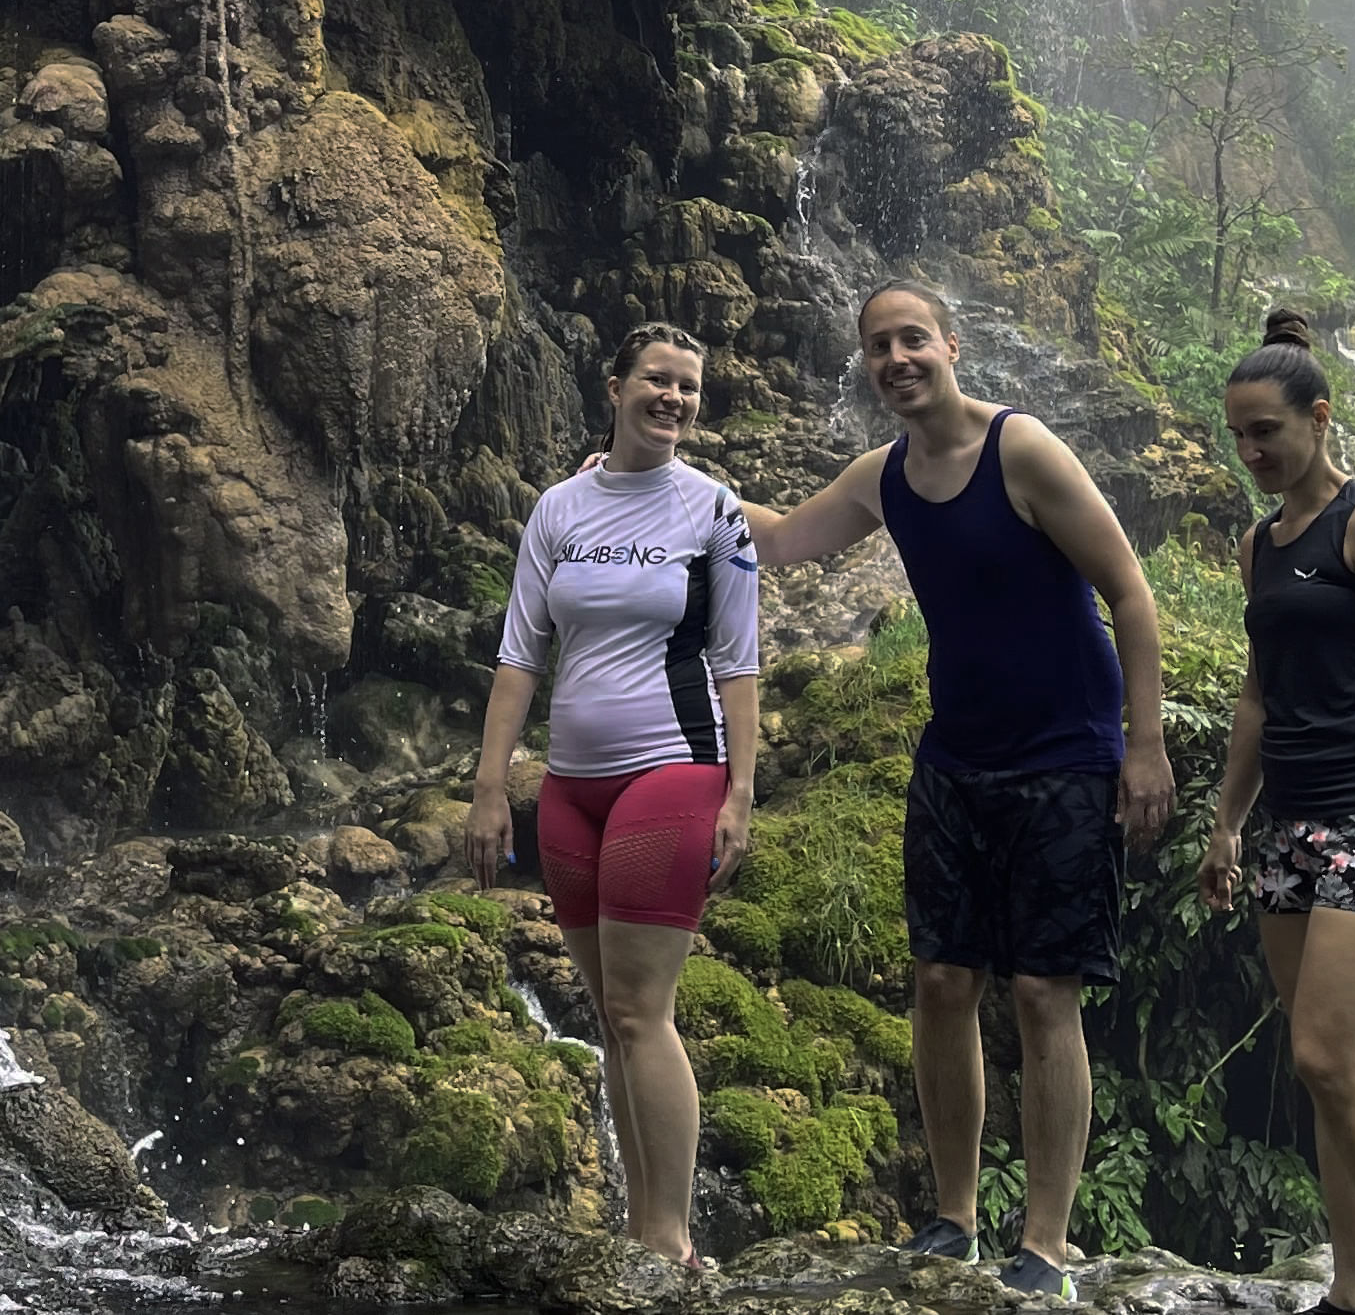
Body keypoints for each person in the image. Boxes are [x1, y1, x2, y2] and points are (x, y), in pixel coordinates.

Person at [744, 281, 1174, 1302]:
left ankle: (1050, 1243)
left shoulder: (1021, 451)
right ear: (866, 363)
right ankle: (953, 1217)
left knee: (1041, 993)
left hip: (1067, 755)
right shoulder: (882, 476)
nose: (897, 359)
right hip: (955, 759)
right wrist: (663, 477)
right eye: (878, 347)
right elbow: (780, 540)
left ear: (951, 343)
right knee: (942, 982)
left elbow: (1129, 590)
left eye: (912, 340)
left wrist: (1143, 745)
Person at [463, 323, 762, 1274]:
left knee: (643, 1011)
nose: (671, 398)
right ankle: (643, 1227)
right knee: (611, 1017)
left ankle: (670, 1238)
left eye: (688, 387)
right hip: (569, 791)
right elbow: (520, 654)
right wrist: (487, 791)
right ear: (616, 386)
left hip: (671, 772)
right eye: (656, 381)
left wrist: (741, 792)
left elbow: (739, 661)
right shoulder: (559, 506)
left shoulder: (713, 511)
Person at [1200, 311, 1355, 1315]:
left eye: (1267, 431)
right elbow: (1258, 696)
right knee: (1327, 1077)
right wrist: (1227, 825)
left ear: (1319, 418)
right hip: (1288, 830)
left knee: (1329, 1057)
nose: (1253, 452)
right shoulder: (1260, 547)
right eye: (1239, 437)